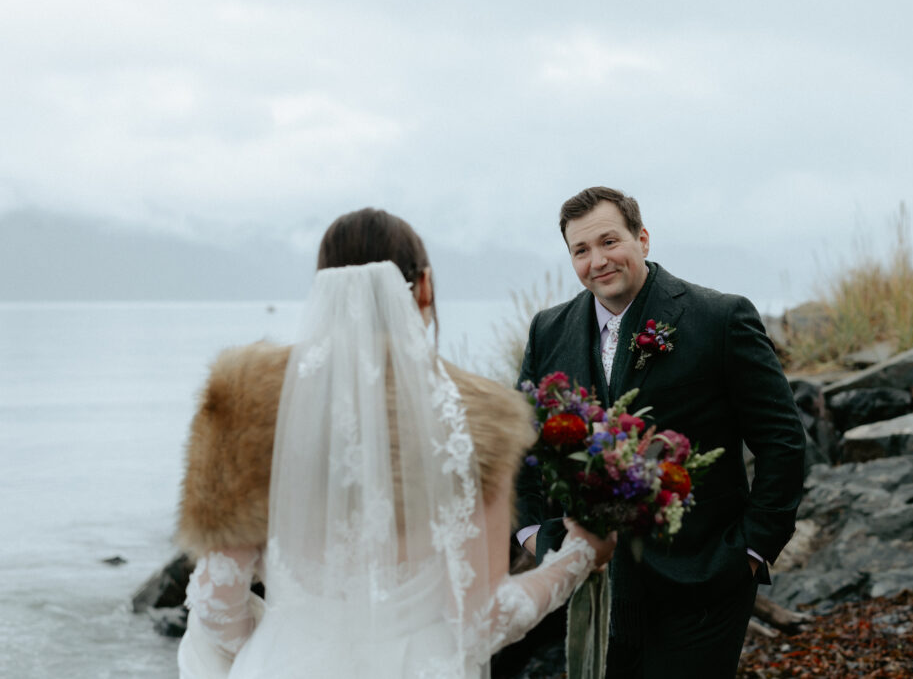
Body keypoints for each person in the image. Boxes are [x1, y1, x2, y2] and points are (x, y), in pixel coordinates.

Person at [175, 208, 617, 679]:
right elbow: (480, 622)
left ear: (324, 290)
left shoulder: (249, 407)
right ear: (423, 286)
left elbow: (217, 600)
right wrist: (578, 555)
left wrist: (284, 647)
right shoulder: (477, 417)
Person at [516, 188, 805, 678]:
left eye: (610, 241)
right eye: (581, 251)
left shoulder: (720, 318)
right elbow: (523, 446)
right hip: (593, 585)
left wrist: (749, 555)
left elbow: (783, 442)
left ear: (642, 239)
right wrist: (532, 537)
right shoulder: (548, 330)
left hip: (705, 581)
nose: (598, 261)